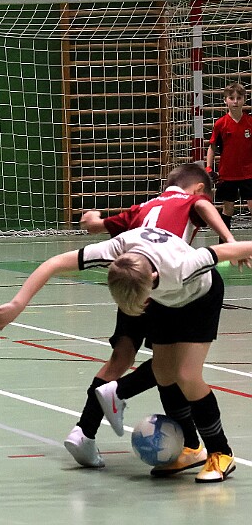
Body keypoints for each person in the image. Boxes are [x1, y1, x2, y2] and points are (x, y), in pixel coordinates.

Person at [0, 227, 252, 483]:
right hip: (164, 300)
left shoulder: (184, 266)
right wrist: (17, 304)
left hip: (200, 297)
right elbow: (53, 263)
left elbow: (224, 251)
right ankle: (191, 449)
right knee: (163, 373)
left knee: (186, 375)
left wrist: (241, 251)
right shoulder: (114, 251)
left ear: (153, 281)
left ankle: (221, 452)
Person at [65, 163, 234, 472]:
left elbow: (97, 227)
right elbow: (201, 205)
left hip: (129, 282)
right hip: (161, 284)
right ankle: (122, 394)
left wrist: (93, 219)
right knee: (175, 370)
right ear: (199, 189)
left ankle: (84, 430)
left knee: (132, 360)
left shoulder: (142, 208)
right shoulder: (190, 201)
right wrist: (227, 237)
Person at [205, 82, 252, 238]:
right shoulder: (221, 124)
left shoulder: (250, 122)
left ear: (245, 99)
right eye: (231, 98)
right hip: (228, 174)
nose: (235, 101)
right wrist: (208, 167)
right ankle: (224, 243)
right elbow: (212, 147)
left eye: (239, 98)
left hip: (249, 173)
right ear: (225, 100)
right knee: (228, 209)